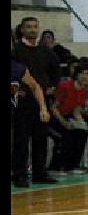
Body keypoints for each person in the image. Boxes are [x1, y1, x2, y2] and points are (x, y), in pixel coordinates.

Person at [12, 17, 60, 186]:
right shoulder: (16, 50)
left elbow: (56, 71)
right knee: (21, 139)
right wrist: (17, 89)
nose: (32, 30)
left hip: (42, 101)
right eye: (29, 27)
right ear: (22, 29)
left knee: (41, 138)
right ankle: (19, 174)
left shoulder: (45, 51)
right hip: (23, 102)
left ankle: (40, 173)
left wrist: (52, 86)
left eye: (35, 27)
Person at [11, 31, 51, 180]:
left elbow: (35, 87)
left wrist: (43, 108)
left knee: (28, 140)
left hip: (22, 109)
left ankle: (29, 174)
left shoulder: (18, 67)